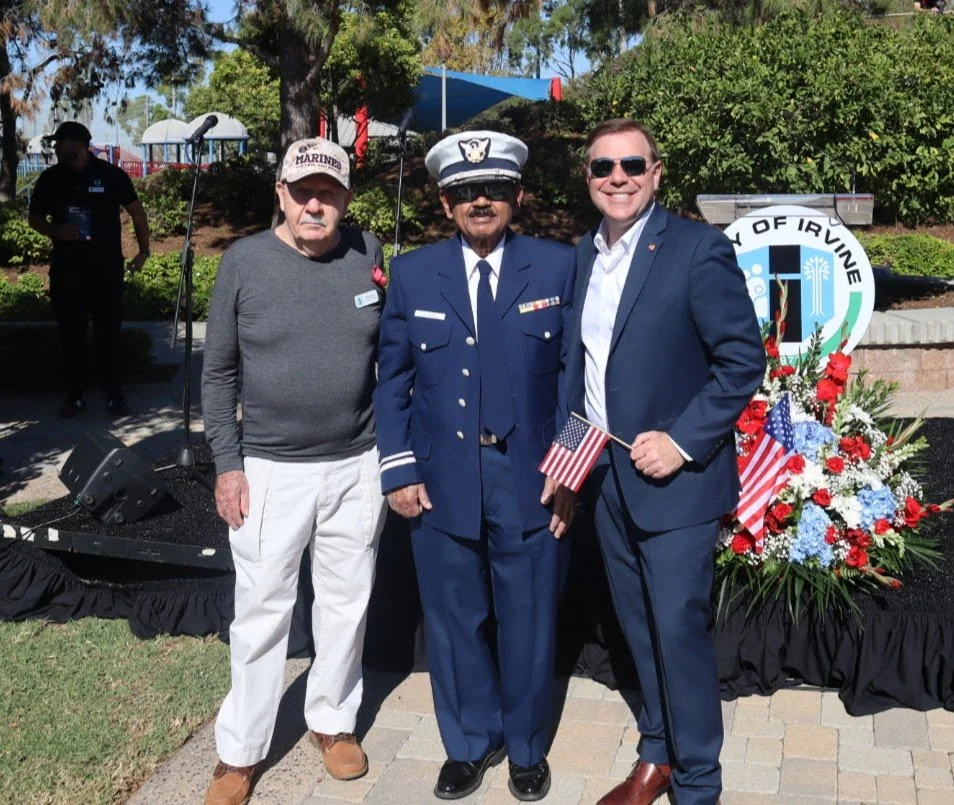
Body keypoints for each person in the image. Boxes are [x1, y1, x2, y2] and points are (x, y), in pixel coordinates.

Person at [564, 119, 765, 805]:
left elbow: (743, 361)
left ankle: (699, 783)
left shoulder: (695, 249)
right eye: (602, 167)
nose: (616, 177)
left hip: (675, 480)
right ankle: (658, 752)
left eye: (630, 164)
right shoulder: (583, 256)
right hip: (605, 477)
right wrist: (567, 473)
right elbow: (580, 374)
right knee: (637, 626)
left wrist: (679, 439)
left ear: (656, 173)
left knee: (677, 630)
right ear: (587, 178)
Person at [374, 130, 576, 802]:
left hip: (531, 475)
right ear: (444, 202)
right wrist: (399, 469)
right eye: (465, 191)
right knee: (454, 619)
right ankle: (469, 741)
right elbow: (392, 379)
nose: (480, 200)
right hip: (442, 475)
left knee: (528, 617)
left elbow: (581, 376)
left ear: (516, 195)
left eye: (492, 189)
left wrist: (570, 470)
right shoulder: (413, 272)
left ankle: (524, 746)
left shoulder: (555, 266)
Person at [200, 137, 387, 805]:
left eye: (328, 191)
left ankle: (332, 721)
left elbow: (387, 361)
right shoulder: (245, 263)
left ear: (345, 196)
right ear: (280, 193)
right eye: (302, 190)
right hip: (270, 470)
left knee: (346, 602)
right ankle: (240, 753)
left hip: (356, 463)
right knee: (261, 613)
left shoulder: (368, 253)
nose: (315, 202)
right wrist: (227, 464)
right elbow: (218, 372)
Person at [28, 121, 150, 418]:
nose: (55, 147)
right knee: (72, 336)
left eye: (60, 142)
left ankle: (115, 396)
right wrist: (55, 230)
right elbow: (34, 218)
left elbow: (136, 211)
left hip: (106, 270)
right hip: (67, 272)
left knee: (109, 335)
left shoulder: (110, 175)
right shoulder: (51, 178)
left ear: (79, 145)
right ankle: (75, 396)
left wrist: (143, 251)